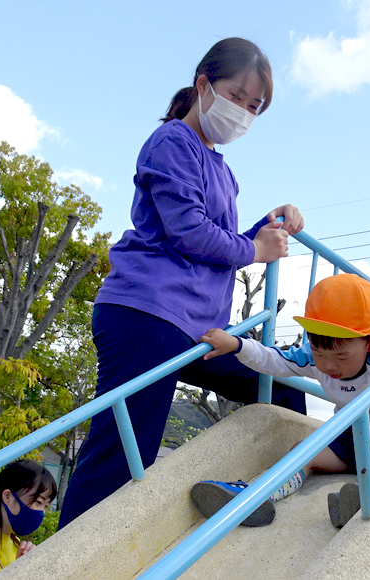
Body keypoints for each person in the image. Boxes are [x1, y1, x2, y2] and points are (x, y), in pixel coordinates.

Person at [58, 38, 305, 529]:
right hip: (147, 313)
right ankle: (67, 562)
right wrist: (254, 249)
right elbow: (189, 231)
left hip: (196, 328)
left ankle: (255, 490)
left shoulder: (222, 169)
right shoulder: (173, 141)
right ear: (202, 84)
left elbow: (219, 244)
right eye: (236, 96)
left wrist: (265, 227)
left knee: (279, 384)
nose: (243, 112)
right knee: (122, 453)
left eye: (253, 107)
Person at [193, 274, 370, 528]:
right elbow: (274, 360)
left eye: (342, 356)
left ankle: (368, 495)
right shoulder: (314, 360)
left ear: (368, 342)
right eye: (318, 352)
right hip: (350, 439)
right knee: (304, 449)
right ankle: (258, 497)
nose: (328, 365)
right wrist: (237, 345)